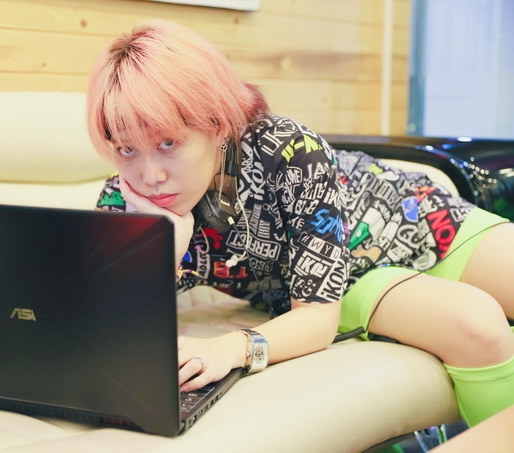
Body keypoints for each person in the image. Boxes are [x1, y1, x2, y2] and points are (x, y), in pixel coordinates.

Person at [86, 20, 514, 427]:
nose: (151, 175)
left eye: (167, 143)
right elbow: (104, 332)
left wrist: (230, 347)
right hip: (351, 276)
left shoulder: (287, 149)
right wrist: (165, 252)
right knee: (476, 325)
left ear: (216, 125)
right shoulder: (126, 203)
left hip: (416, 215)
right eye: (127, 149)